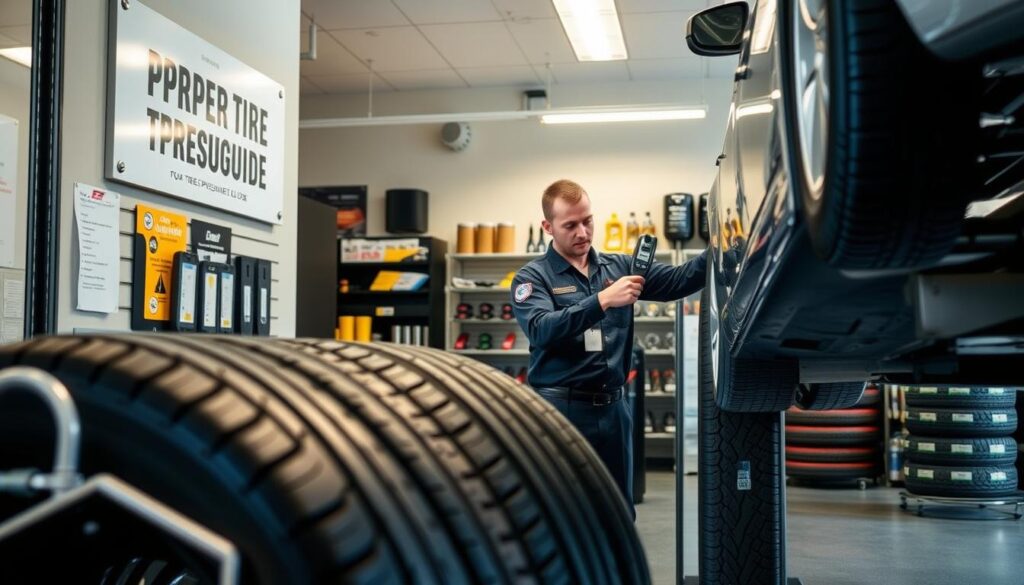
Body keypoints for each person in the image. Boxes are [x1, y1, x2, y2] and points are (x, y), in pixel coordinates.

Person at [511, 179, 707, 516]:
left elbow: (680, 280)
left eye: (587, 221)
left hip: (614, 411)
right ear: (548, 227)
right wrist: (602, 300)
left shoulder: (618, 267)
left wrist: (725, 245)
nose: (583, 233)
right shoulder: (532, 278)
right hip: (560, 411)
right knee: (565, 513)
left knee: (619, 511)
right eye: (570, 225)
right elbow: (542, 329)